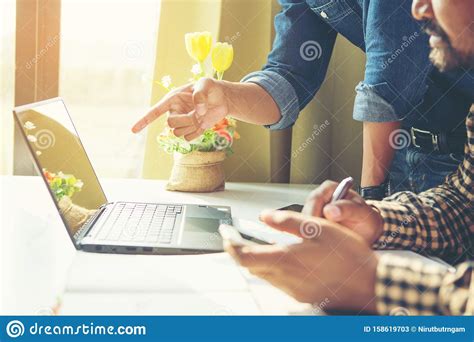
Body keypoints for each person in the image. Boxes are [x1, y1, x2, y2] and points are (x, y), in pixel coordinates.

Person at [225, 0, 473, 315]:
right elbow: (465, 207)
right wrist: (378, 219)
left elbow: (386, 87)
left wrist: (373, 281)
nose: (418, 9)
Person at [132, 0, 473, 199]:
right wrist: (228, 98)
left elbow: (386, 87)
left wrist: (370, 204)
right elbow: (290, 74)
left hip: (458, 153)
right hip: (405, 154)